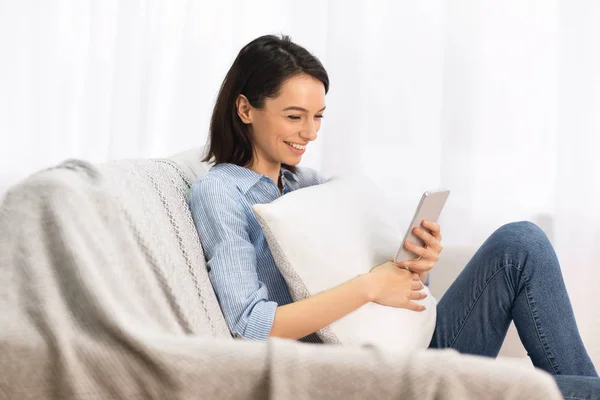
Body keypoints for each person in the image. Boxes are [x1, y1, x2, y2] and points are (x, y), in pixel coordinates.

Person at [188, 34, 600, 399]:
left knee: (521, 242)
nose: (311, 133)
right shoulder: (220, 193)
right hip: (365, 375)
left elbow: (377, 286)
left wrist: (415, 268)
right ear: (245, 109)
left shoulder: (308, 185)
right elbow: (249, 326)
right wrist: (370, 286)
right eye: (295, 116)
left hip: (407, 346)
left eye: (318, 117)